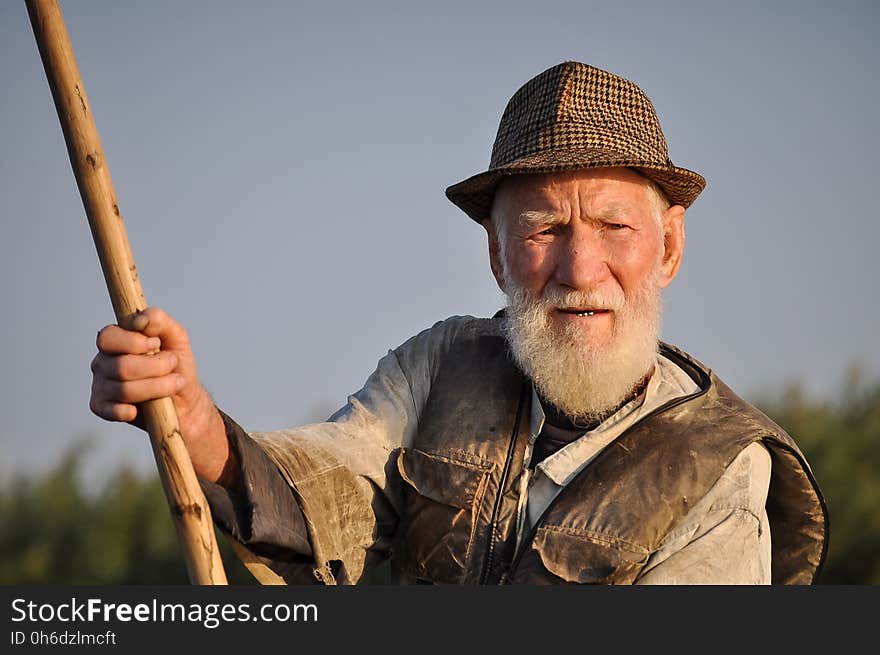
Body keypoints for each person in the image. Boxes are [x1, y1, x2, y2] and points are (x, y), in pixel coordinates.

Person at [89, 61, 828, 585]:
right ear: (497, 256)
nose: (579, 268)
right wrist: (194, 421)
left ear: (668, 247)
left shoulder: (724, 469)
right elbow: (327, 487)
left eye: (612, 225)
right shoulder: (441, 366)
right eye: (543, 230)